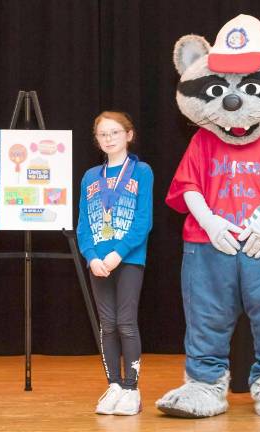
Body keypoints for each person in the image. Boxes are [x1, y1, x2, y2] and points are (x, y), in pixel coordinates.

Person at [76, 111, 153, 416]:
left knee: (126, 323)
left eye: (115, 133)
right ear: (97, 140)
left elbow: (143, 220)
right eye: (103, 135)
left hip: (128, 258)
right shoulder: (90, 177)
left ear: (128, 135)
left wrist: (118, 253)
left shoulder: (141, 171)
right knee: (107, 325)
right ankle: (114, 385)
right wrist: (91, 256)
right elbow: (83, 224)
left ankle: (132, 388)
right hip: (98, 262)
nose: (109, 139)